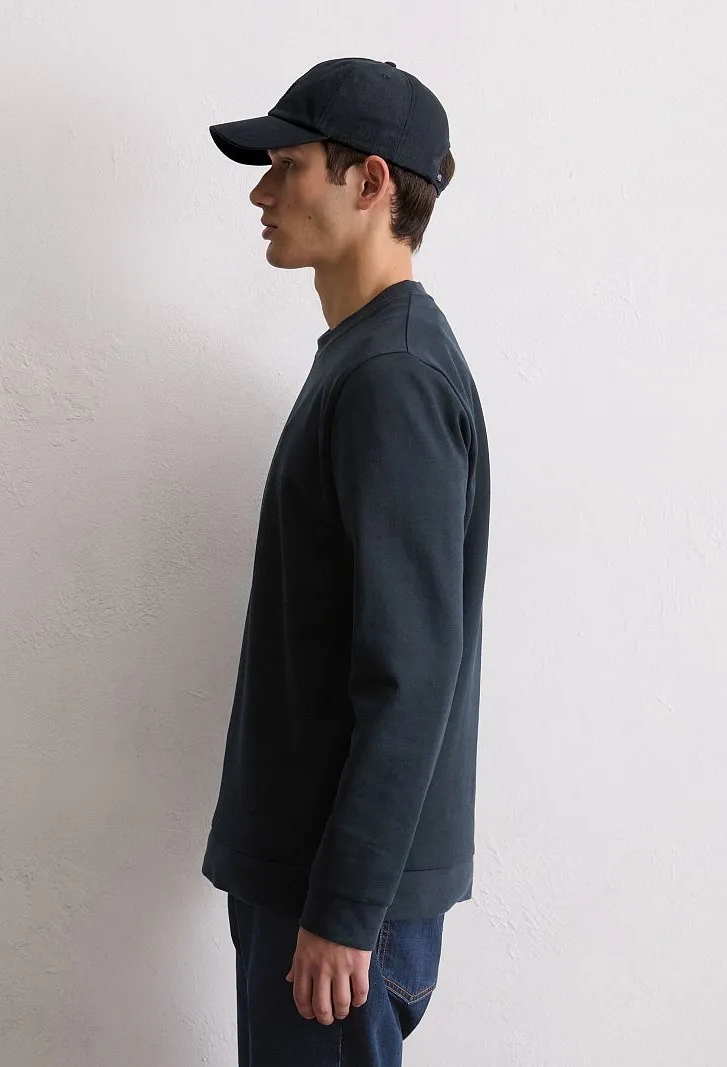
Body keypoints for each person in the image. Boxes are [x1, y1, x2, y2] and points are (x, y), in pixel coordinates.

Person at [202, 56, 491, 1066]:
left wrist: (344, 906)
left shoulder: (392, 378)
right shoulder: (367, 358)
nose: (261, 193)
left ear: (369, 182)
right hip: (313, 885)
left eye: (287, 166)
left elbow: (411, 674)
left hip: (333, 908)